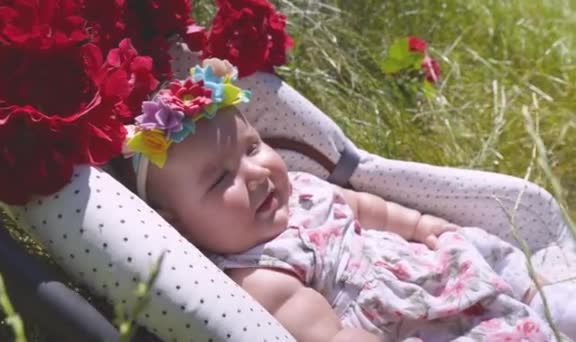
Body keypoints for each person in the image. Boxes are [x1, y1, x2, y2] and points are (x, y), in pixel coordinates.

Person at [121, 58, 575, 341]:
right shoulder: (258, 273)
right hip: (412, 318)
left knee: (487, 249)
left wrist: (419, 225)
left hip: (437, 266)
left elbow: (365, 207)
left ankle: (540, 294)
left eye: (253, 147)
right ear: (178, 227)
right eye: (221, 179)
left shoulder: (302, 187)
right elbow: (328, 333)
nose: (256, 173)